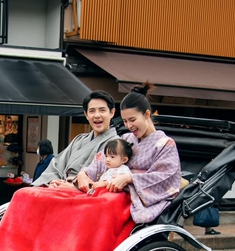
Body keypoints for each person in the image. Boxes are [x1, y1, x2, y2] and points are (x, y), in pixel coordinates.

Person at [78, 83, 182, 224]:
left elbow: (165, 177)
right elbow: (104, 159)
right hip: (114, 191)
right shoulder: (126, 139)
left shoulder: (166, 144)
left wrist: (130, 179)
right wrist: (83, 174)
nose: (128, 125)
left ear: (146, 114)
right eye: (125, 121)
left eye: (132, 120)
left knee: (100, 208)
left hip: (139, 199)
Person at [32, 91, 120, 187]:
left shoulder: (117, 144)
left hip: (85, 193)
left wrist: (74, 187)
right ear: (86, 114)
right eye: (92, 111)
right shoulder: (79, 140)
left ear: (112, 113)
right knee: (23, 194)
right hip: (61, 187)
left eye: (102, 110)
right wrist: (52, 183)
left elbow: (109, 178)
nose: (97, 115)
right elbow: (56, 166)